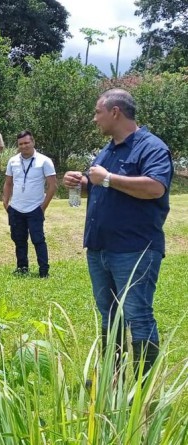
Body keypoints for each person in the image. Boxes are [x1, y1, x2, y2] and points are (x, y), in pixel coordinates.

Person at [63, 88, 173, 378]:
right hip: (100, 248)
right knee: (109, 316)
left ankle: (142, 388)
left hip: (134, 249)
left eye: (98, 112)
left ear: (115, 112)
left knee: (137, 315)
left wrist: (108, 178)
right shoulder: (108, 149)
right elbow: (101, 185)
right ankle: (114, 380)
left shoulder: (151, 147)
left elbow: (155, 187)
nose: (94, 118)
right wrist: (80, 183)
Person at [2, 131, 57, 278]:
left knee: (38, 240)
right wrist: (5, 202)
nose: (24, 146)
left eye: (26, 143)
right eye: (20, 144)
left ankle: (43, 271)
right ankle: (22, 268)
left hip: (35, 208)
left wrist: (43, 207)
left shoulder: (44, 161)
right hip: (16, 208)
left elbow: (52, 186)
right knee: (19, 240)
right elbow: (8, 183)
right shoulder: (12, 161)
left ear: (33, 142)